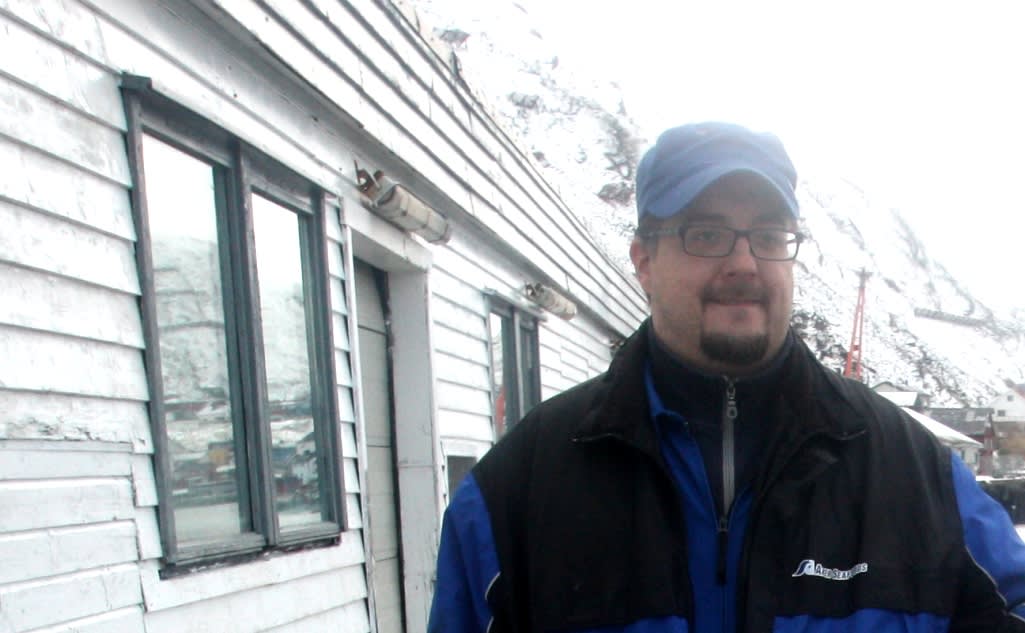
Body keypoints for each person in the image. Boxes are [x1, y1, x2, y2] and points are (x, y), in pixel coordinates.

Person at [427, 122, 1025, 632]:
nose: (744, 263)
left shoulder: (916, 476)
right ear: (644, 261)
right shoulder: (517, 493)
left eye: (767, 236)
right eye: (706, 235)